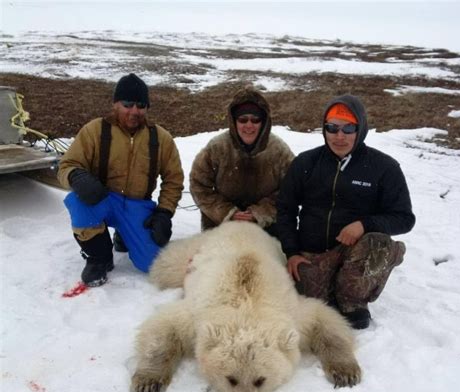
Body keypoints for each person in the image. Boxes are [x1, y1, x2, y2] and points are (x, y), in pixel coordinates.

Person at [276, 94, 415, 329]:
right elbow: (285, 209)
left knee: (377, 242)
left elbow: (404, 218)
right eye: (332, 128)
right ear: (324, 129)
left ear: (360, 129)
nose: (339, 136)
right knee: (302, 305)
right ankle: (330, 287)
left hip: (355, 252)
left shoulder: (384, 168)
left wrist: (364, 224)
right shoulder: (306, 163)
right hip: (314, 253)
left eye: (348, 128)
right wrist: (291, 252)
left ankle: (353, 301)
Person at [58, 73, 184, 287]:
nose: (135, 111)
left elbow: (174, 179)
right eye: (128, 104)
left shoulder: (161, 138)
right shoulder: (94, 131)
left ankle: (124, 236)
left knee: (152, 264)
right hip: (103, 199)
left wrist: (164, 213)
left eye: (141, 105)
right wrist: (77, 177)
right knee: (77, 201)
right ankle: (99, 257)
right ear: (115, 104)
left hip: (137, 205)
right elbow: (67, 165)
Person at [189, 86, 294, 236]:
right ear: (234, 121)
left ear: (263, 122)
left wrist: (259, 213)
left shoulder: (279, 151)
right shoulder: (217, 147)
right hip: (221, 225)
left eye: (255, 119)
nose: (249, 126)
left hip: (267, 228)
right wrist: (228, 213)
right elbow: (198, 184)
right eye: (243, 119)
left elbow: (291, 190)